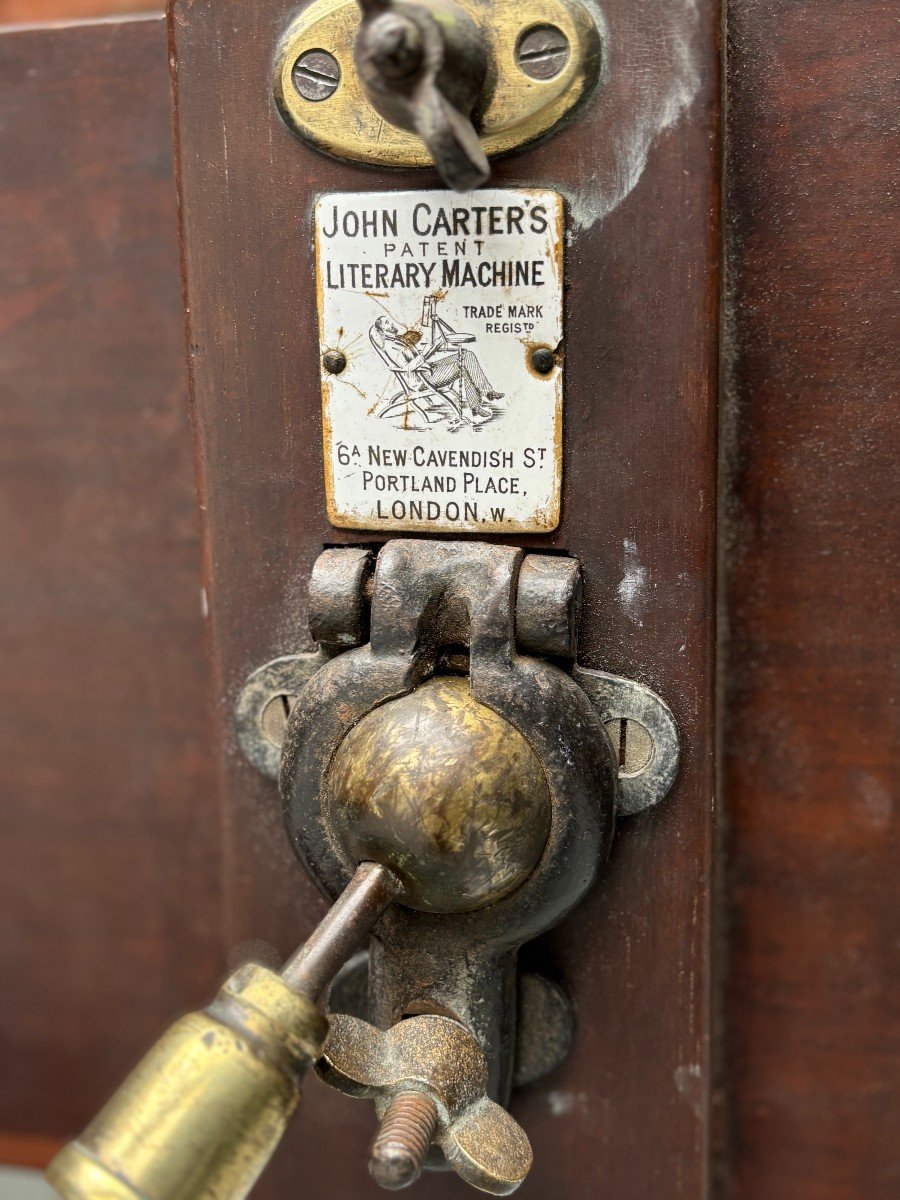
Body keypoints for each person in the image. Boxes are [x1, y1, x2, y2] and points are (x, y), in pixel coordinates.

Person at [369, 316, 503, 421]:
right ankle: (477, 404)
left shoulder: (398, 339)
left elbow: (412, 356)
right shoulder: (390, 346)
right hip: (422, 378)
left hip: (429, 369)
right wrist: (429, 351)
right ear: (382, 330)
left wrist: (428, 348)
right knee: (463, 365)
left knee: (467, 355)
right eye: (387, 323)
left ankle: (486, 393)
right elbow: (407, 368)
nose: (391, 323)